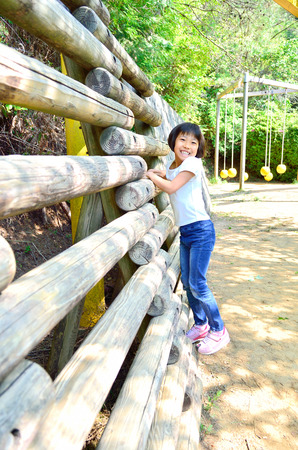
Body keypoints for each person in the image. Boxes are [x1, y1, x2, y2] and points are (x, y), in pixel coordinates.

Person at [146, 122, 230, 355]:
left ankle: (219, 329)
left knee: (198, 284)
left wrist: (150, 176)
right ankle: (201, 325)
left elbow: (171, 187)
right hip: (187, 232)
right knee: (189, 284)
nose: (188, 145)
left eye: (194, 142)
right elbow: (169, 174)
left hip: (201, 230)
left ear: (198, 148)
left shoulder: (193, 163)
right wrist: (157, 172)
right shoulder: (175, 165)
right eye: (183, 139)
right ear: (173, 141)